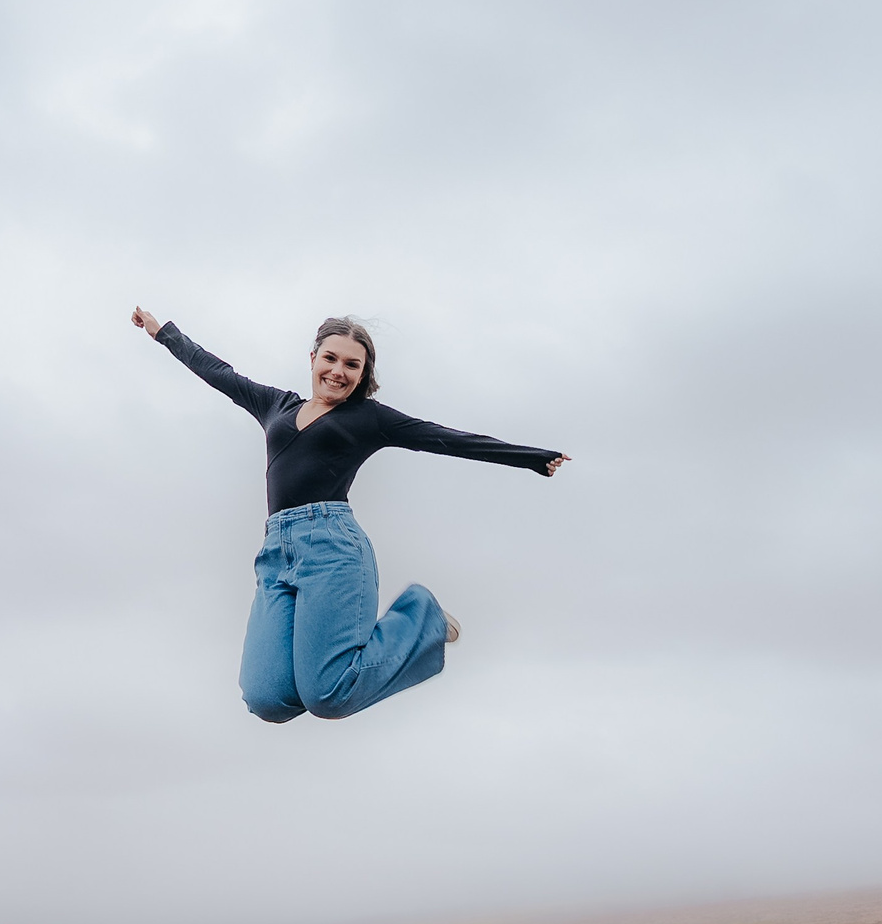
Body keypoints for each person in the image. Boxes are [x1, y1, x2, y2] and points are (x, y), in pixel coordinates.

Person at [133, 307, 569, 723]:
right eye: (330, 358)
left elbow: (445, 439)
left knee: (328, 696)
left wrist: (532, 458)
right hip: (275, 554)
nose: (338, 372)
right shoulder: (276, 406)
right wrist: (162, 332)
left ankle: (422, 616)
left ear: (363, 375)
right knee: (267, 698)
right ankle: (327, 672)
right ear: (313, 357)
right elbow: (218, 372)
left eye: (352, 366)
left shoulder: (368, 418)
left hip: (331, 547)